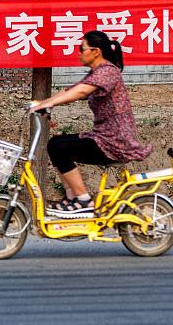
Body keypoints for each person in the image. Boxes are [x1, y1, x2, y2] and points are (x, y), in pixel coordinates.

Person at [30, 30, 152, 213]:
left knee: (59, 147)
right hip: (104, 137)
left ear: (96, 51)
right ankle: (72, 198)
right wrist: (44, 103)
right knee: (55, 144)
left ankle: (83, 200)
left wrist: (48, 104)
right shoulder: (97, 73)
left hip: (114, 142)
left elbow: (80, 92)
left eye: (82, 48)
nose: (79, 53)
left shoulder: (108, 72)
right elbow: (71, 90)